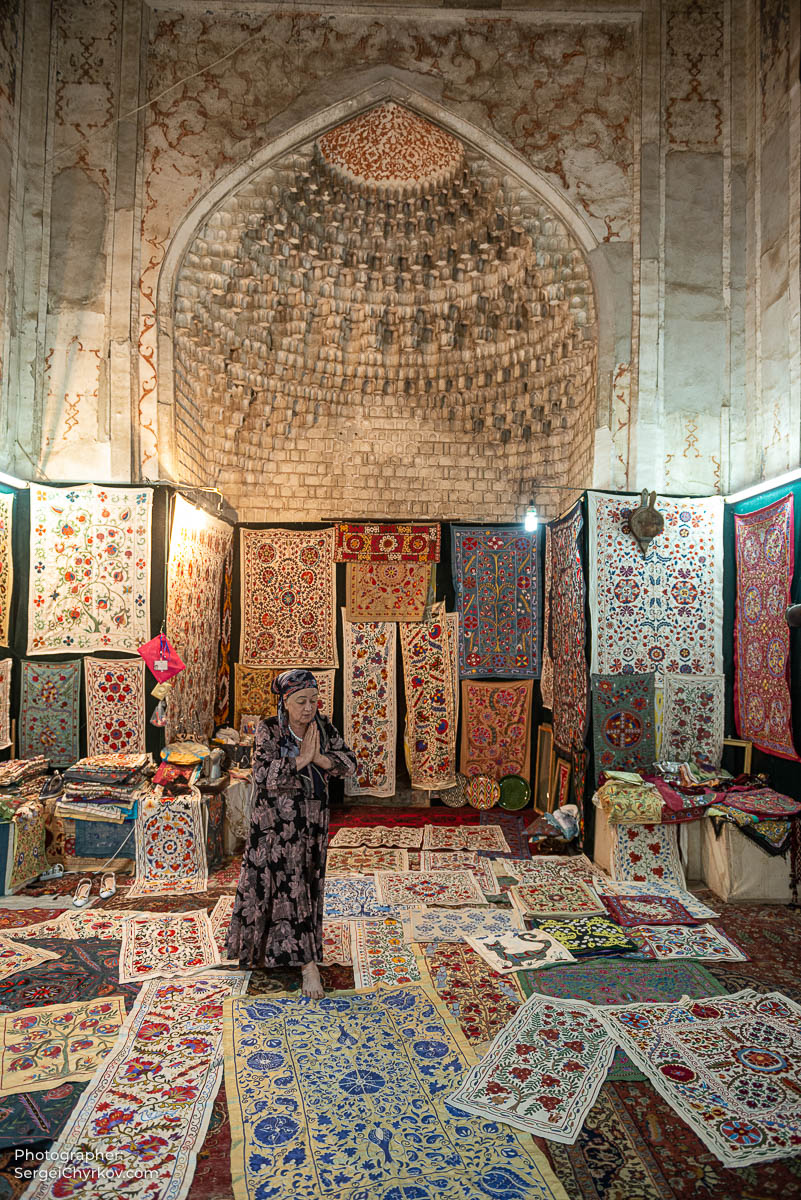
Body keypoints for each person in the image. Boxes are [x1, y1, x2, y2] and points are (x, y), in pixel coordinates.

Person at [225, 668, 356, 998]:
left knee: (302, 887)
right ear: (285, 702)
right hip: (274, 827)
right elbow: (262, 773)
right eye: (301, 701)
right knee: (281, 886)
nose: (308, 708)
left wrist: (320, 760)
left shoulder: (323, 728)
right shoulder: (269, 729)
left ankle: (298, 956)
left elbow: (350, 764)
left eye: (313, 700)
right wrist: (301, 760)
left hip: (311, 824)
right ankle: (303, 964)